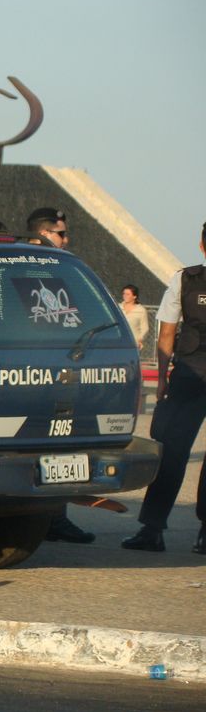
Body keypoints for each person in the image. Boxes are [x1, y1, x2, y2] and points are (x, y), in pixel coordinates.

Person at [123, 223, 206, 554]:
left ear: (201, 245)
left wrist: (162, 380)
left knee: (172, 452)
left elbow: (167, 334)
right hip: (190, 376)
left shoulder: (185, 279)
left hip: (188, 374)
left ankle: (152, 529)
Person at [25, 207, 96, 544]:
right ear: (39, 235)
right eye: (60, 233)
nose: (67, 240)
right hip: (27, 375)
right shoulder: (18, 272)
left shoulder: (61, 273)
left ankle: (54, 517)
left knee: (61, 447)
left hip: (62, 374)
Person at [119, 284, 149, 351]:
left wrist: (139, 340)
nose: (125, 296)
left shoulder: (141, 310)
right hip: (118, 342)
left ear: (134, 296)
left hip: (133, 344)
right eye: (124, 294)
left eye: (128, 294)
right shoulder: (118, 308)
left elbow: (145, 328)